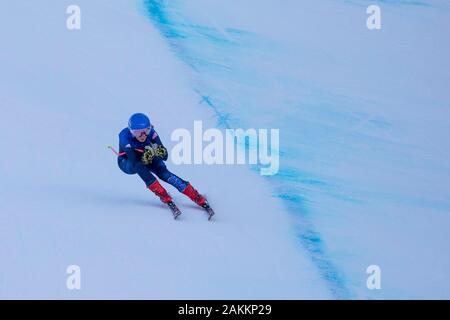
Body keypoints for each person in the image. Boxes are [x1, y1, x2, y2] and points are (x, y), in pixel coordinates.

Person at [117, 113, 209, 215]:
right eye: (138, 132)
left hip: (148, 155)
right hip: (127, 162)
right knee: (139, 166)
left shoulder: (152, 133)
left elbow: (165, 157)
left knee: (164, 173)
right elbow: (134, 160)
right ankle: (164, 196)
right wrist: (147, 155)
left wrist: (161, 152)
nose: (143, 135)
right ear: (131, 132)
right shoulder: (124, 136)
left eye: (146, 130)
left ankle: (195, 195)